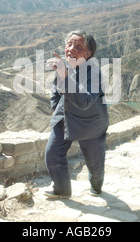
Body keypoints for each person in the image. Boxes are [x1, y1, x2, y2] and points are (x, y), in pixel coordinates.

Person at [44, 30, 109, 199]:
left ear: (88, 53)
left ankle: (96, 183)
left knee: (94, 164)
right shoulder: (64, 66)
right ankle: (61, 189)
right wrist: (57, 108)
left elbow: (85, 102)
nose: (71, 49)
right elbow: (55, 91)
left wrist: (64, 74)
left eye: (78, 46)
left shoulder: (94, 72)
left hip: (90, 124)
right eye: (69, 44)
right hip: (64, 117)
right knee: (52, 153)